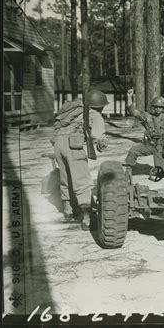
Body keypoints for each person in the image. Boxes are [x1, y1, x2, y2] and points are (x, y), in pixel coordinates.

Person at [52, 89, 109, 230]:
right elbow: (99, 136)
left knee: (66, 178)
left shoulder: (75, 112)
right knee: (82, 181)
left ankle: (68, 211)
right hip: (73, 145)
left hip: (58, 144)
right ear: (100, 106)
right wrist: (103, 144)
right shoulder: (95, 115)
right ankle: (87, 218)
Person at [125, 89, 164, 177]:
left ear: (163, 108)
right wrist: (129, 97)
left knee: (162, 170)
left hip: (161, 145)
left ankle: (163, 171)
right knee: (133, 150)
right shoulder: (148, 116)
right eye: (155, 107)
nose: (157, 109)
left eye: (160, 107)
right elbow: (133, 112)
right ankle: (128, 170)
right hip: (149, 144)